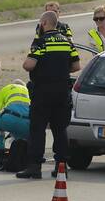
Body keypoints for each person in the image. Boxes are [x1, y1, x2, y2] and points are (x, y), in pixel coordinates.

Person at [16, 10, 80, 179]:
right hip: (62, 92)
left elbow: (29, 65)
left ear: (44, 24)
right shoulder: (67, 41)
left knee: (37, 129)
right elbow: (76, 66)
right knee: (60, 130)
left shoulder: (41, 42)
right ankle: (61, 167)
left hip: (43, 92)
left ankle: (34, 167)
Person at [0, 78, 31, 164]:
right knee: (21, 136)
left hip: (10, 119)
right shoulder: (29, 91)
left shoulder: (7, 88)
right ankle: (27, 155)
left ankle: (0, 152)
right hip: (28, 124)